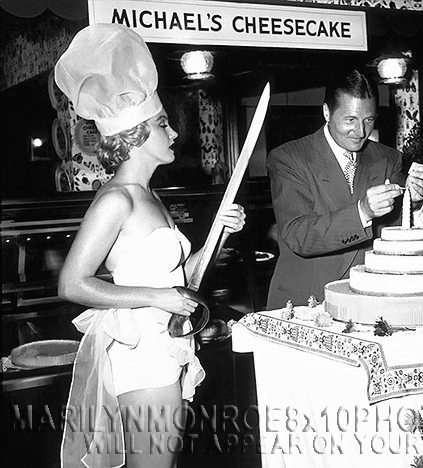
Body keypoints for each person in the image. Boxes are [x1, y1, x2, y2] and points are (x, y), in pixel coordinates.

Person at [54, 24, 245, 468]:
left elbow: (183, 279)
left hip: (169, 348)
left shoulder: (150, 197)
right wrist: (160, 298)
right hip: (142, 355)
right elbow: (72, 283)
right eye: (163, 124)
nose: (174, 133)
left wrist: (218, 233)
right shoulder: (115, 200)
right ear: (137, 134)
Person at [266, 69, 423, 309]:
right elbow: (298, 235)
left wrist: (414, 201)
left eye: (369, 120)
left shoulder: (388, 158)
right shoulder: (288, 158)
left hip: (369, 301)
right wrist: (363, 212)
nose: (361, 132)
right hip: (306, 303)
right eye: (350, 120)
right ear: (327, 112)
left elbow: (394, 233)